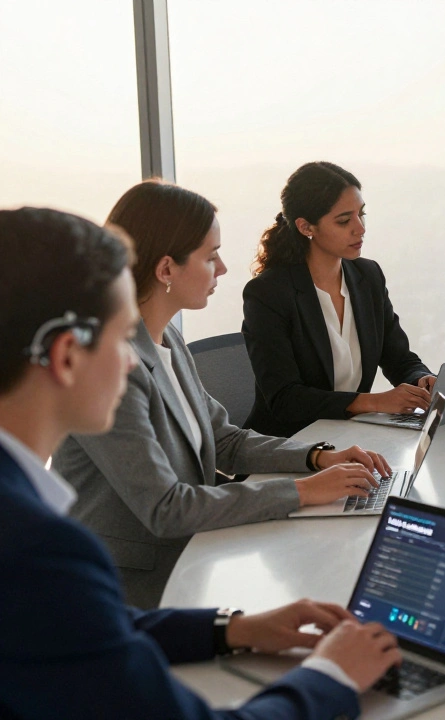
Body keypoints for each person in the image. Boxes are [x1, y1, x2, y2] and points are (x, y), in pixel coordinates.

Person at [0, 207, 400, 718]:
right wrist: (332, 676)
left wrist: (230, 630)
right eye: (119, 336)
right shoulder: (39, 551)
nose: (129, 360)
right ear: (66, 357)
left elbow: (77, 620)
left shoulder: (31, 542)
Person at [52, 181, 389, 609]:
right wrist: (304, 491)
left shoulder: (166, 340)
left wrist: (318, 457)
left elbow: (225, 440)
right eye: (211, 256)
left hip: (194, 556)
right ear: (166, 270)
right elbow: (167, 508)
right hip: (127, 590)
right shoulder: (111, 366)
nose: (224, 268)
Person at [242, 161, 436, 438]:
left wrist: (422, 380)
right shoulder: (268, 293)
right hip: (288, 445)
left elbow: (398, 358)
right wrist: (374, 402)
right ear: (306, 227)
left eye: (361, 214)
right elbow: (285, 398)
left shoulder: (368, 276)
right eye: (344, 220)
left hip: (349, 437)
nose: (360, 228)